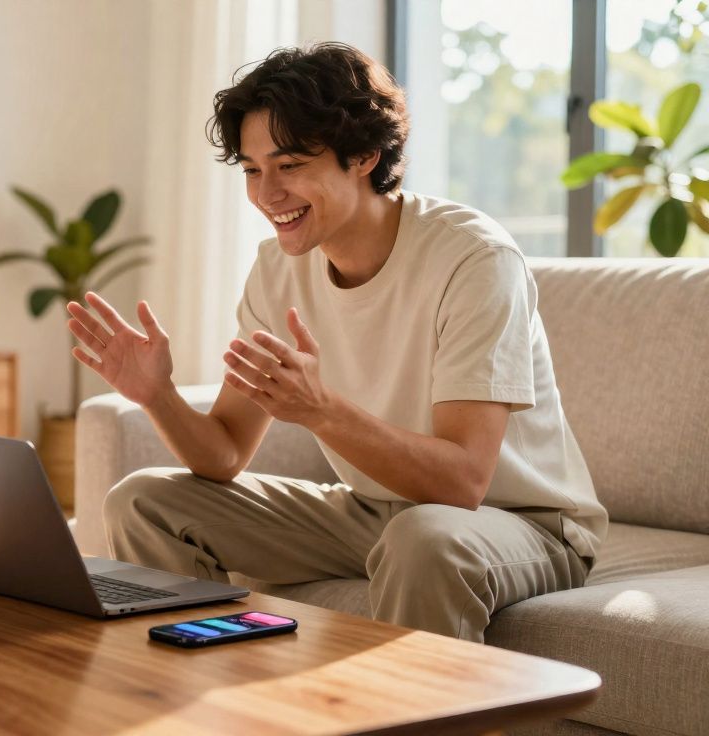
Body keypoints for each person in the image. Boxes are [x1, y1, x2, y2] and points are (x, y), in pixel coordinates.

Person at [65, 43, 607, 643]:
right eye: (251, 169)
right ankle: (203, 706)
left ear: (364, 155)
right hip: (380, 512)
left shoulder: (473, 259)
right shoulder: (277, 269)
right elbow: (223, 455)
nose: (266, 194)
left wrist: (320, 410)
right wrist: (158, 395)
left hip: (516, 522)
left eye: (290, 165)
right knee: (142, 501)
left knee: (424, 537)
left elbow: (462, 483)